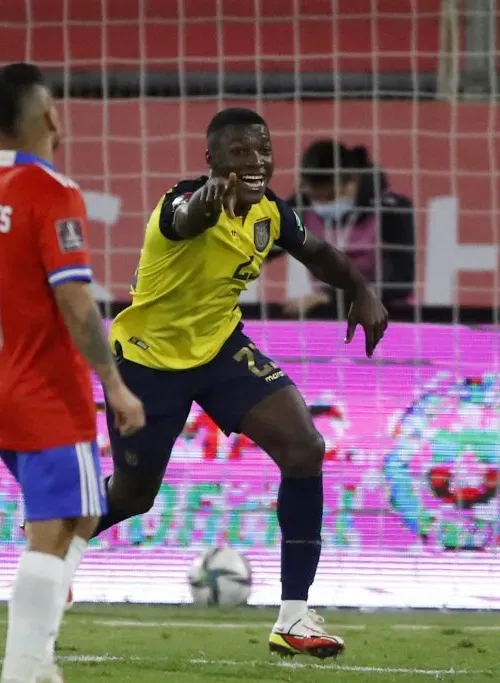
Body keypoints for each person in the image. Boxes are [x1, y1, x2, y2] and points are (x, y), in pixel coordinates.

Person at [95, 108, 388, 659]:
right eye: (239, 153)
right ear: (213, 161)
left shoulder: (271, 212)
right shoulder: (181, 205)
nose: (254, 162)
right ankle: (50, 538)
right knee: (134, 496)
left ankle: (294, 616)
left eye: (262, 150)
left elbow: (318, 253)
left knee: (304, 447)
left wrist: (361, 288)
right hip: (148, 360)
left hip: (220, 348)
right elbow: (189, 216)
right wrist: (209, 198)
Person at [0, 63, 145, 683]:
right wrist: (114, 383)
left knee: (82, 513)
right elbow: (75, 300)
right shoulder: (53, 191)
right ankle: (24, 668)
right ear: (49, 117)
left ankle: (39, 655)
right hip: (44, 389)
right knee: (52, 529)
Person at [280, 139, 415, 316]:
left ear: (351, 182)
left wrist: (331, 298)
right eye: (315, 198)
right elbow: (258, 249)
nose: (321, 205)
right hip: (326, 315)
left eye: (330, 196)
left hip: (385, 314)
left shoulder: (391, 209)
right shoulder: (301, 205)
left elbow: (400, 285)